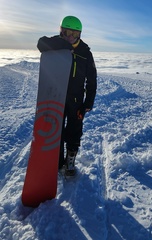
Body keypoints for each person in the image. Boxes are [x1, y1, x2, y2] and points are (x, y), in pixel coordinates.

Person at [37, 16, 97, 176]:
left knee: (74, 130)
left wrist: (88, 102)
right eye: (66, 32)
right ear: (61, 31)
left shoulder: (85, 52)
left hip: (76, 101)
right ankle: (55, 161)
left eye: (74, 33)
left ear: (80, 34)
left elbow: (92, 80)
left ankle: (70, 160)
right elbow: (40, 43)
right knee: (55, 131)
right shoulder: (56, 43)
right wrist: (62, 45)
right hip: (56, 97)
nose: (70, 36)